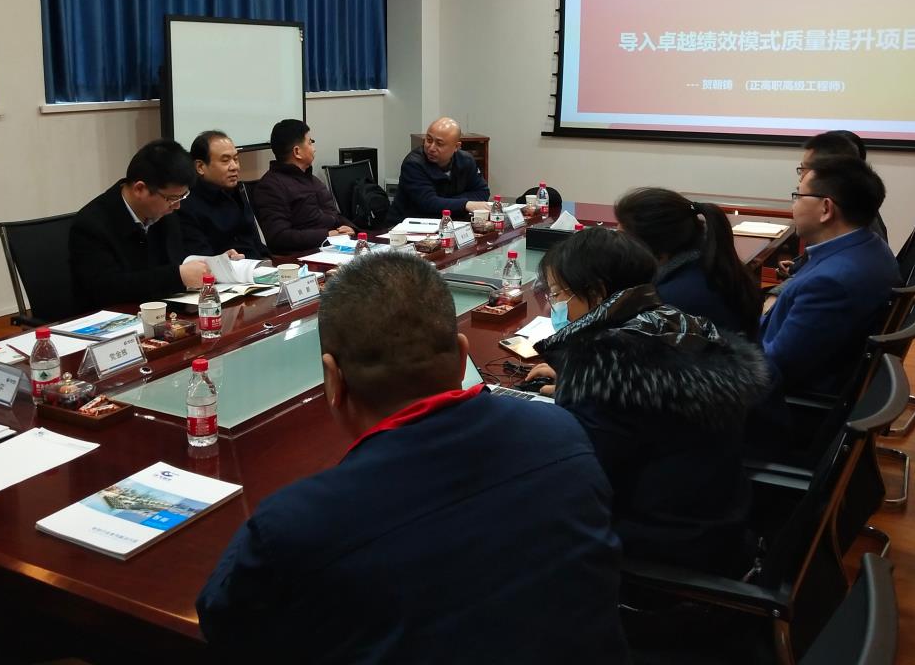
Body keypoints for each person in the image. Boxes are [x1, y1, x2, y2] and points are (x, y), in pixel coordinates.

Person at [196, 251, 630, 664]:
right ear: (462, 356)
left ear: (332, 379)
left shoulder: (297, 524)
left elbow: (223, 623)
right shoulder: (562, 434)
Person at [528, 227, 771, 578]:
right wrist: (570, 384)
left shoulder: (607, 370)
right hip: (716, 521)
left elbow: (578, 479)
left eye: (555, 294)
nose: (553, 305)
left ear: (596, 293)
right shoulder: (676, 327)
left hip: (662, 544)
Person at [761, 155, 899, 396]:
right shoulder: (870, 246)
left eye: (798, 196)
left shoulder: (831, 282)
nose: (793, 206)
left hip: (782, 400)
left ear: (826, 208)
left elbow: (774, 368)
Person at [69, 139, 209, 309]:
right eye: (172, 198)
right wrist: (177, 277)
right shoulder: (91, 225)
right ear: (140, 189)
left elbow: (179, 258)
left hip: (165, 311)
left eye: (182, 196)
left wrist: (215, 264)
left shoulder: (164, 212)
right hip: (116, 316)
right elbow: (106, 289)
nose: (177, 206)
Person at [614, 188, 763, 339]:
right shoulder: (712, 265)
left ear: (657, 252)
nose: (618, 249)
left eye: (623, 241)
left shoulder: (669, 303)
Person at [253, 119, 355, 253]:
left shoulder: (313, 180)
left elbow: (333, 215)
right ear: (297, 152)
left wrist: (349, 228)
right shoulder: (270, 187)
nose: (314, 148)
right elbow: (279, 237)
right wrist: (327, 236)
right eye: (310, 142)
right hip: (305, 255)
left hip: (334, 246)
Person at [177, 130, 269, 259]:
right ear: (200, 167)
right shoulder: (186, 205)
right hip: (223, 270)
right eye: (225, 161)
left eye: (236, 159)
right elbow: (201, 259)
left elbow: (256, 244)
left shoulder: (237, 191)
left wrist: (268, 262)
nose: (234, 167)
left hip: (256, 267)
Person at [389, 117, 490, 221]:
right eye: (429, 140)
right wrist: (465, 204)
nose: (431, 148)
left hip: (450, 221)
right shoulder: (413, 163)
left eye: (439, 144)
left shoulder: (466, 160)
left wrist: (444, 202)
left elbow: (482, 192)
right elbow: (428, 203)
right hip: (409, 224)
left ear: (456, 147)